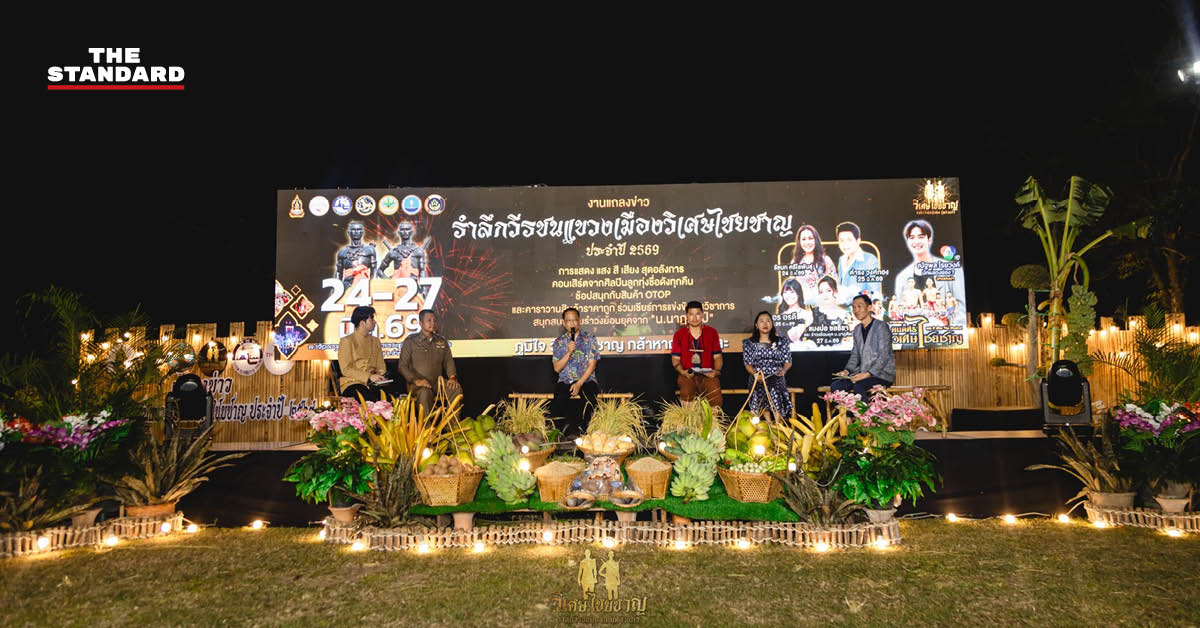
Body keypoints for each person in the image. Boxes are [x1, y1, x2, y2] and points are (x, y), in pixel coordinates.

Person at [397, 309, 461, 414]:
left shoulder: (441, 341)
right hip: (416, 384)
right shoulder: (411, 341)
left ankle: (452, 425)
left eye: (434, 320)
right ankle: (427, 428)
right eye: (429, 320)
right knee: (424, 393)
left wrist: (452, 377)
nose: (433, 323)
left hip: (436, 382)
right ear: (421, 323)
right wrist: (416, 380)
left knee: (456, 389)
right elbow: (402, 366)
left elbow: (448, 361)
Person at [832, 295, 896, 396]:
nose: (856, 310)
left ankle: (863, 412)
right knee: (837, 386)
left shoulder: (881, 326)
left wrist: (867, 374)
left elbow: (884, 356)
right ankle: (846, 411)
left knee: (859, 386)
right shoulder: (857, 329)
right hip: (862, 374)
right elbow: (855, 355)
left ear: (869, 307)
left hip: (881, 375)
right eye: (853, 307)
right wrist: (847, 371)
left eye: (859, 306)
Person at [551, 307, 601, 434]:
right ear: (563, 323)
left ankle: (586, 431)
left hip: (586, 380)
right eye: (568, 321)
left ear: (579, 321)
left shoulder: (590, 338)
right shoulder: (559, 342)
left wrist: (579, 383)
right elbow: (557, 368)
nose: (572, 323)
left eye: (574, 320)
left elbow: (592, 364)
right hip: (566, 380)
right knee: (559, 399)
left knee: (589, 398)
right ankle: (562, 432)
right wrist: (569, 352)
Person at [893, 219, 965, 306]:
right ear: (908, 241)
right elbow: (899, 308)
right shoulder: (902, 278)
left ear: (929, 240)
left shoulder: (952, 269)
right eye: (912, 237)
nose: (916, 241)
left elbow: (961, 306)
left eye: (921, 237)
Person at [671, 301, 723, 408]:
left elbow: (717, 357)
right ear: (687, 316)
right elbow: (675, 359)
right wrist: (682, 371)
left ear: (703, 315)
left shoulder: (711, 332)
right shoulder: (679, 335)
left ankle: (714, 423)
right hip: (687, 374)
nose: (694, 318)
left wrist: (716, 372)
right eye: (691, 314)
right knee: (686, 389)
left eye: (697, 314)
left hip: (708, 375)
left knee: (714, 389)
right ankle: (690, 423)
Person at [742, 311, 793, 421]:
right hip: (757, 377)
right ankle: (768, 425)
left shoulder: (782, 341)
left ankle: (778, 426)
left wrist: (783, 370)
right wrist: (755, 374)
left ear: (772, 324)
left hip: (777, 375)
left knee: (775, 388)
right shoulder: (749, 343)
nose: (765, 324)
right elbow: (747, 364)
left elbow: (788, 361)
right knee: (760, 389)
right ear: (756, 325)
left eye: (768, 321)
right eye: (762, 321)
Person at [337, 306, 394, 402]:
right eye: (371, 319)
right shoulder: (347, 341)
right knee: (368, 399)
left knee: (391, 396)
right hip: (352, 382)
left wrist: (380, 376)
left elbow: (381, 366)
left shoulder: (375, 341)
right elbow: (346, 369)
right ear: (362, 322)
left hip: (374, 383)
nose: (374, 322)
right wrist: (368, 377)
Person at [834, 221, 882, 303]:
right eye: (841, 240)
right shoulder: (842, 259)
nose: (845, 244)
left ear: (858, 241)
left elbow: (875, 292)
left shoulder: (870, 260)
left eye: (849, 240)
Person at [790, 224, 836, 304]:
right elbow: (792, 288)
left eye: (810, 238)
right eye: (803, 239)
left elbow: (835, 285)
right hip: (804, 306)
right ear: (799, 242)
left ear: (816, 240)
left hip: (825, 305)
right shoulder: (795, 263)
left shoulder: (826, 260)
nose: (807, 242)